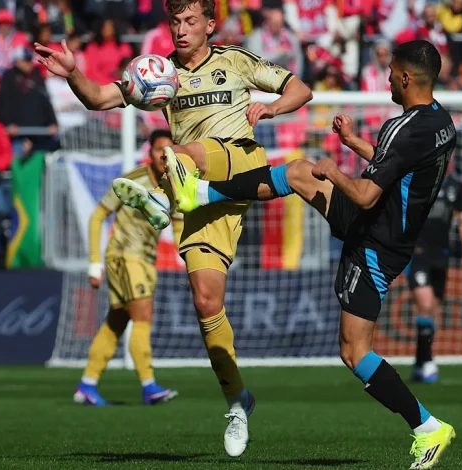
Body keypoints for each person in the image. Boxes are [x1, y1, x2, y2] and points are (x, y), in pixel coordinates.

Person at [117, 39, 457, 469]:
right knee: (297, 171)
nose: (387, 77)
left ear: (406, 78)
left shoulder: (400, 127)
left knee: (354, 352)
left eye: (391, 72)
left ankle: (427, 428)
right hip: (393, 233)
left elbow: (369, 195)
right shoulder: (440, 122)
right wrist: (353, 143)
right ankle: (197, 194)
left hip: (374, 238)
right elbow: (397, 164)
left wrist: (335, 169)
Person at [34, 0, 312, 457]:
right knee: (206, 301)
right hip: (199, 194)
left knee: (178, 154)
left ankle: (162, 201)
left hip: (239, 162)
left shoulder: (236, 60)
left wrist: (272, 109)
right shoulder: (159, 71)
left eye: (189, 21)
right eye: (173, 22)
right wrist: (72, 73)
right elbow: (100, 98)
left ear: (209, 24)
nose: (180, 30)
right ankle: (238, 401)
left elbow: (301, 89)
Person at [74, 130, 180, 406]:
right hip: (124, 256)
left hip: (145, 260)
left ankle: (87, 384)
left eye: (169, 150)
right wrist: (94, 263)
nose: (164, 155)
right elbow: (98, 216)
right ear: (150, 153)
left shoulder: (176, 186)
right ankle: (149, 386)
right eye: (159, 149)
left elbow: (180, 226)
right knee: (143, 315)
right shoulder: (132, 181)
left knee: (117, 321)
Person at [408, 163, 462, 384]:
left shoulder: (455, 187)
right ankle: (428, 363)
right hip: (416, 253)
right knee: (425, 304)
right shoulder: (414, 183)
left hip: (441, 256)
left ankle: (420, 362)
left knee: (433, 311)